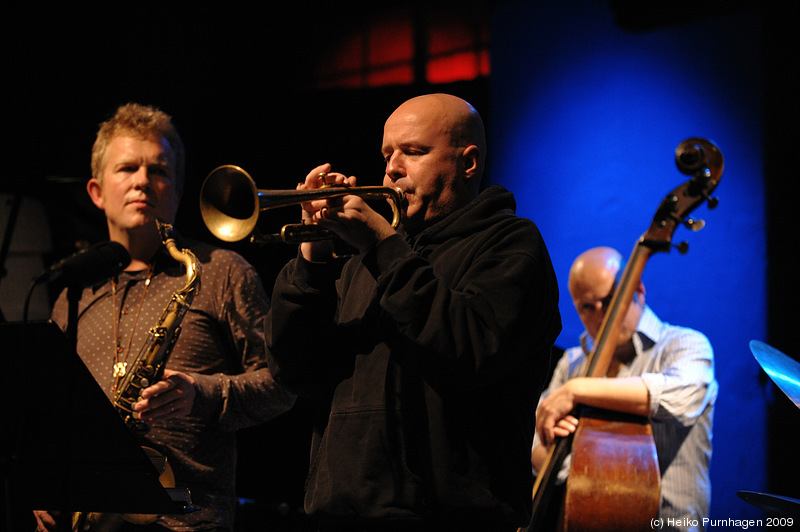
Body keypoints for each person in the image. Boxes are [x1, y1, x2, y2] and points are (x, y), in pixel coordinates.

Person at [266, 93, 562, 531]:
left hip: (454, 517)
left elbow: (468, 348)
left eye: (414, 152)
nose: (392, 168)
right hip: (342, 513)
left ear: (469, 162)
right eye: (387, 154)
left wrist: (384, 248)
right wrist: (312, 260)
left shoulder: (512, 245)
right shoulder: (367, 261)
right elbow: (297, 372)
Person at [33, 103, 296, 531]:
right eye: (127, 169)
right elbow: (50, 418)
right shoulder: (72, 294)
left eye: (158, 171)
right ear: (97, 192)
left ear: (176, 188)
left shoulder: (222, 271)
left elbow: (282, 386)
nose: (142, 181)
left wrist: (202, 393)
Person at [532, 246, 717, 532]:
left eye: (609, 300)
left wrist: (578, 390)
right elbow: (535, 443)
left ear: (638, 291)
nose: (600, 315)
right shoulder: (571, 364)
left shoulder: (685, 345)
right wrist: (552, 444)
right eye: (586, 307)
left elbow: (681, 396)